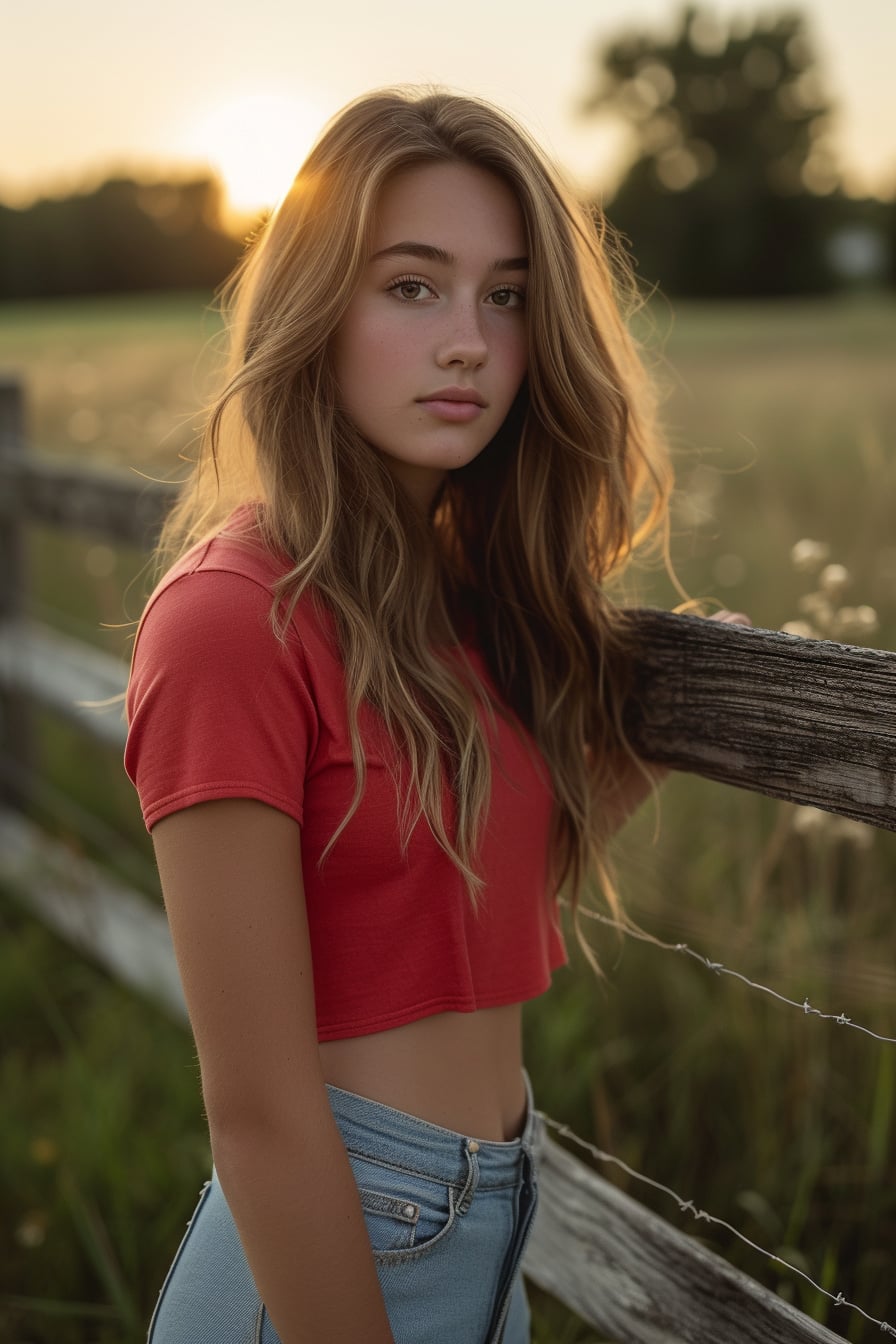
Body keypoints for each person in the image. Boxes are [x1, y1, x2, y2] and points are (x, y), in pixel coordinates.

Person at [125, 86, 744, 1344]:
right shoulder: (231, 623)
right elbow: (255, 1109)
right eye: (411, 287)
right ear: (317, 311)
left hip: (489, 1224)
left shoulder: (454, 602)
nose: (467, 339)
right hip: (334, 1245)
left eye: (504, 295)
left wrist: (684, 714)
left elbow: (449, 899)